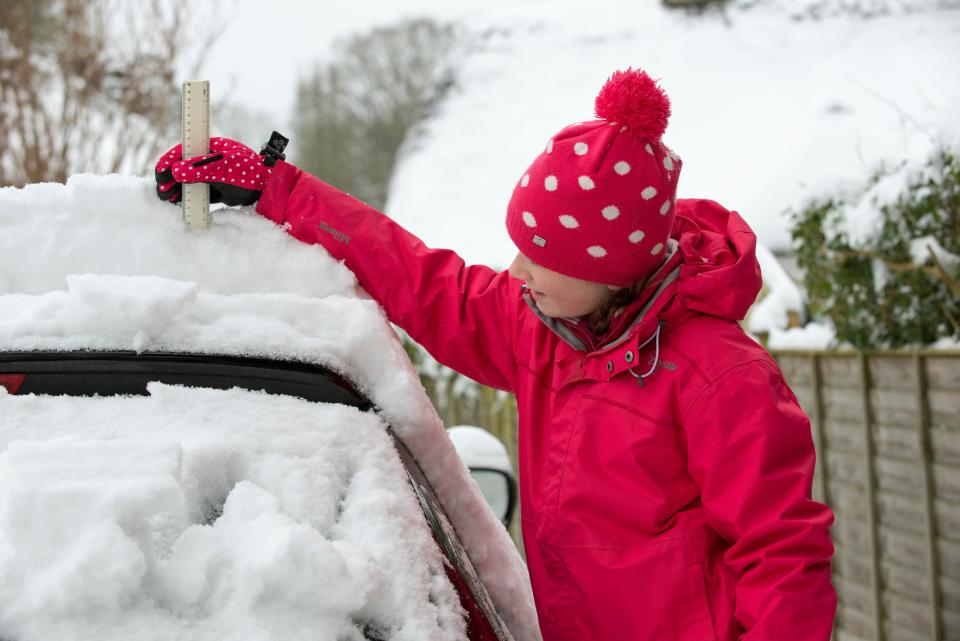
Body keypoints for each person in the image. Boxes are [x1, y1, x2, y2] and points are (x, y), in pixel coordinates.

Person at [155, 68, 837, 641]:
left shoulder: (721, 377)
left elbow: (783, 554)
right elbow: (416, 276)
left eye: (541, 256)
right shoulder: (542, 328)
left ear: (611, 267)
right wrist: (280, 189)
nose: (517, 268)